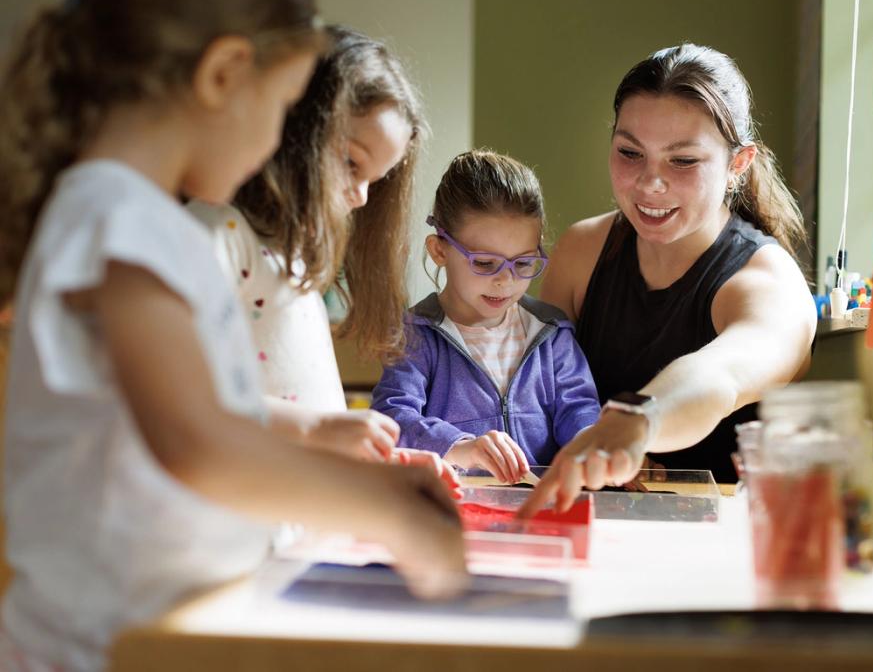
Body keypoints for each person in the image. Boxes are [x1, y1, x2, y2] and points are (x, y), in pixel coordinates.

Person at [0, 0, 464, 670]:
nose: (280, 139)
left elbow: (196, 412)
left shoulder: (137, 222)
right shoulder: (118, 218)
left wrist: (327, 447)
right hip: (95, 648)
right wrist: (387, 512)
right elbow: (195, 440)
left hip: (156, 634)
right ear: (223, 75)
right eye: (281, 106)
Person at [521, 44, 815, 516]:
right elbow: (542, 394)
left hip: (715, 546)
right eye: (630, 153)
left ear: (738, 164)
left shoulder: (767, 280)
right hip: (590, 526)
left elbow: (721, 374)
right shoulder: (581, 252)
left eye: (682, 161)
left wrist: (640, 420)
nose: (648, 184)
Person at [188, 26, 456, 484]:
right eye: (352, 162)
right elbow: (185, 398)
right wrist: (319, 428)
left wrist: (379, 464)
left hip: (299, 519)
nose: (361, 197)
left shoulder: (298, 265)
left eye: (377, 178)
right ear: (296, 126)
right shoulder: (218, 233)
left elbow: (309, 424)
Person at [371, 150, 601, 484]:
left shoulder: (551, 332)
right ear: (439, 250)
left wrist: (593, 449)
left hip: (539, 507)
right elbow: (392, 419)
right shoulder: (416, 334)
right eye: (484, 263)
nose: (505, 280)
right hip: (454, 508)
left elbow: (579, 410)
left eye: (523, 263)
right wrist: (461, 446)